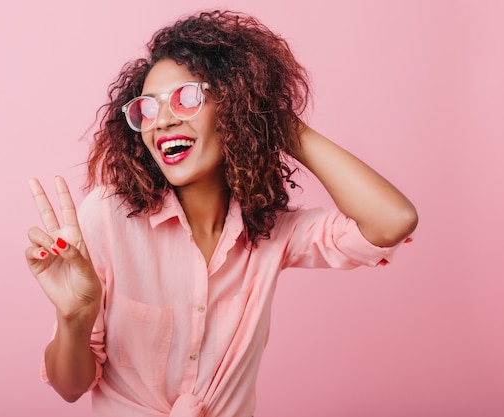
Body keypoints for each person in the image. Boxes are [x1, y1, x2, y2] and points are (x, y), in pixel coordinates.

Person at [25, 9, 418, 417]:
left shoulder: (270, 232)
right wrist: (75, 317)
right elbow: (69, 388)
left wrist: (273, 121)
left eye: (187, 98)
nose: (163, 121)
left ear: (233, 106)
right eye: (148, 108)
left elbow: (393, 220)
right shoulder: (107, 216)